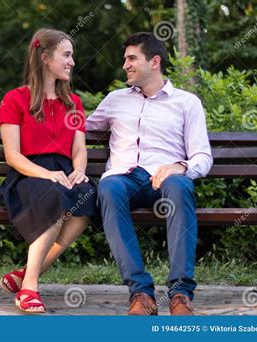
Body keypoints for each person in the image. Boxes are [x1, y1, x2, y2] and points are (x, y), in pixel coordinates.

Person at [86, 32, 213, 315]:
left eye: (132, 58)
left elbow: (202, 156)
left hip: (166, 179)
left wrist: (180, 166)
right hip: (124, 178)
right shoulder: (115, 100)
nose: (125, 65)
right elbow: (79, 128)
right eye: (125, 59)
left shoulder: (186, 102)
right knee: (107, 189)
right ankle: (141, 293)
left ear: (154, 61)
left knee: (181, 186)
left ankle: (180, 293)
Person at [0, 28, 98, 313]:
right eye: (66, 55)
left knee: (89, 196)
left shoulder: (73, 103)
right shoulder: (14, 99)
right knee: (54, 196)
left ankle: (27, 272)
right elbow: (12, 155)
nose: (72, 62)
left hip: (63, 173)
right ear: (45, 58)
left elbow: (79, 149)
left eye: (72, 56)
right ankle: (29, 288)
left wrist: (79, 170)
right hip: (28, 176)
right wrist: (46, 174)